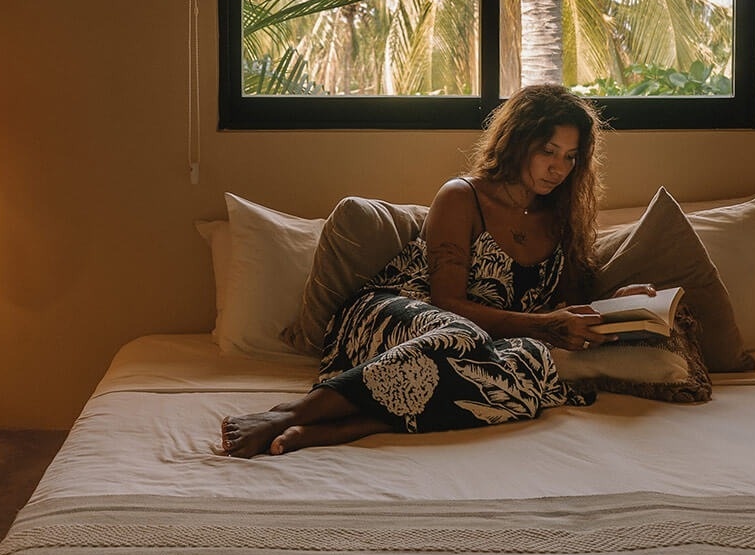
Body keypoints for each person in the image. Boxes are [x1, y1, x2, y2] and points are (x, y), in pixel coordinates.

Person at [220, 83, 655, 458]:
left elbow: (563, 309)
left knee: (533, 366)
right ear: (518, 141)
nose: (559, 168)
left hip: (481, 346)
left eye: (571, 157)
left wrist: (617, 304)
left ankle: (353, 425)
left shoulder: (563, 219)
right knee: (465, 337)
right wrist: (543, 324)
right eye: (548, 152)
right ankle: (291, 413)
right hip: (396, 315)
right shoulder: (463, 196)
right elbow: (447, 302)